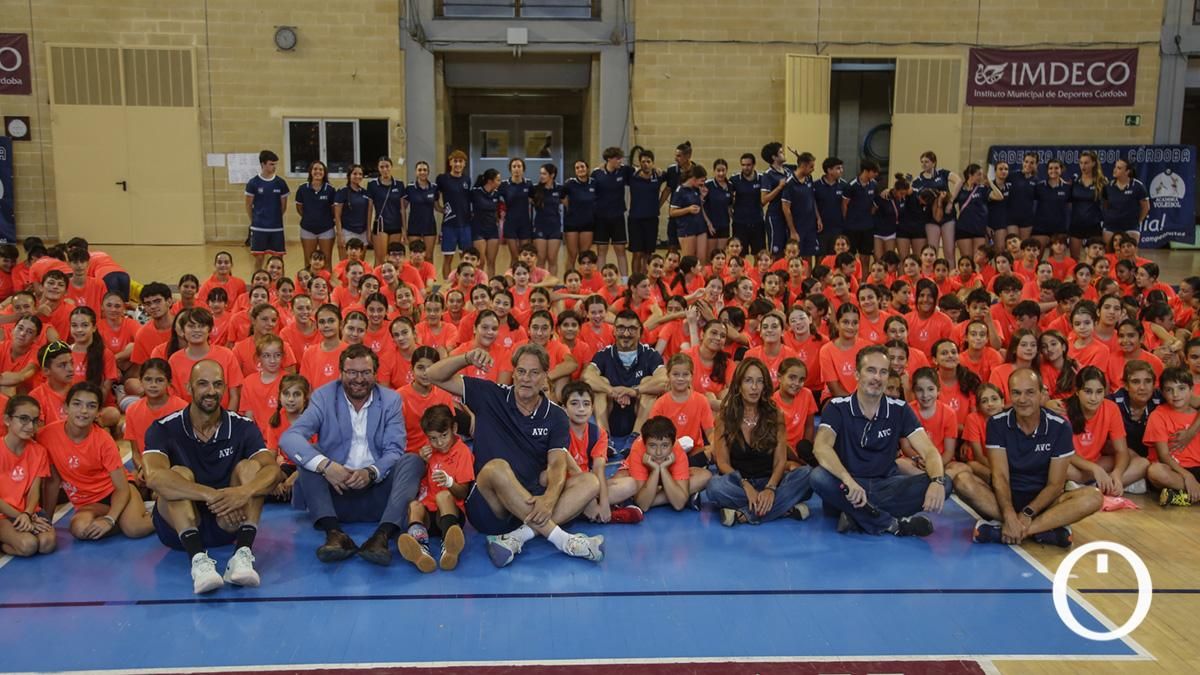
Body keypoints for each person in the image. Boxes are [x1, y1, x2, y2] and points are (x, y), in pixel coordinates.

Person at [425, 343, 605, 568]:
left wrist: (549, 498)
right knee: (496, 468)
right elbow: (433, 375)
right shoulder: (490, 394)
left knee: (590, 482)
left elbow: (557, 464)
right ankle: (564, 541)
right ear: (513, 373)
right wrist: (467, 358)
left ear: (545, 376)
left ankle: (517, 537)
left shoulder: (556, 415)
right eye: (521, 371)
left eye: (534, 372)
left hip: (528, 500)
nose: (526, 379)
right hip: (490, 507)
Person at [143, 360, 282, 594]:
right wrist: (211, 495)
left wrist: (242, 492)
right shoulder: (163, 428)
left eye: (217, 384)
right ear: (189, 388)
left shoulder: (243, 426)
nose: (211, 391)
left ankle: (242, 554)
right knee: (176, 475)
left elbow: (273, 471)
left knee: (251, 468)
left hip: (227, 522)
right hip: (178, 527)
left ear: (225, 388)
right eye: (203, 384)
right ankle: (198, 561)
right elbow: (154, 478)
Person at [281, 344, 426, 565]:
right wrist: (327, 467)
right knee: (311, 455)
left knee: (413, 461)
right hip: (335, 495)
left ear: (375, 374)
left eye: (365, 372)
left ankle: (381, 537)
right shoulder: (323, 396)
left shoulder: (390, 400)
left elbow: (395, 449)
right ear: (341, 373)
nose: (359, 379)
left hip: (379, 494)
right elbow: (289, 438)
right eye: (352, 372)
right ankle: (334, 534)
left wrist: (371, 472)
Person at [811, 345, 951, 537]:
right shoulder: (837, 407)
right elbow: (821, 448)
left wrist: (936, 481)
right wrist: (848, 480)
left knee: (946, 482)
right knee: (818, 477)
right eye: (871, 370)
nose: (877, 377)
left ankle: (858, 516)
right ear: (857, 374)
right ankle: (891, 524)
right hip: (849, 486)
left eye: (883, 372)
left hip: (887, 486)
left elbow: (929, 451)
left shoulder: (899, 409)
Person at [957, 370, 1101, 548]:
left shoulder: (1060, 427)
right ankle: (1041, 529)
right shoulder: (996, 423)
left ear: (1042, 394)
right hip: (1004, 499)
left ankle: (1013, 531)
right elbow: (1000, 476)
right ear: (1010, 395)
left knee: (1094, 497)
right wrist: (1009, 513)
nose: (1022, 399)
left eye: (1030, 392)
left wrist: (1027, 513)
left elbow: (1055, 485)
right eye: (1016, 393)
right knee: (962, 481)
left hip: (1045, 502)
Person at [41, 382, 154, 542]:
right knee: (80, 528)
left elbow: (121, 488)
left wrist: (109, 519)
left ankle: (160, 513)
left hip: (116, 491)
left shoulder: (104, 440)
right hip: (90, 503)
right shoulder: (47, 435)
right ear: (66, 407)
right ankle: (127, 515)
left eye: (91, 406)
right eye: (77, 404)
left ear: (98, 412)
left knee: (135, 529)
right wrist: (47, 520)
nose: (83, 411)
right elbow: (52, 482)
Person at [705, 358, 812, 525]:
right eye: (748, 381)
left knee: (807, 475)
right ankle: (782, 509)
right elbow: (723, 463)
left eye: (759, 381)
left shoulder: (775, 415)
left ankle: (745, 514)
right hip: (739, 483)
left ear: (765, 386)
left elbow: (780, 460)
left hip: (770, 481)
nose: (754, 387)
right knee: (714, 487)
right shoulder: (724, 418)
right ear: (739, 385)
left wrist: (770, 488)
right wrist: (745, 485)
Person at [395, 405, 473, 573]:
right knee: (414, 505)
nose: (439, 443)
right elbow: (418, 479)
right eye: (433, 438)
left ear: (454, 428)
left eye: (444, 435)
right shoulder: (429, 451)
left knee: (443, 496)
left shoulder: (463, 452)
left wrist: (449, 482)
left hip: (451, 514)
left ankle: (449, 545)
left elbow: (463, 492)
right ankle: (421, 549)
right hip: (429, 516)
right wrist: (421, 461)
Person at [582, 310, 667, 443]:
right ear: (614, 331)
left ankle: (636, 439)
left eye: (632, 329)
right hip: (610, 413)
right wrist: (612, 391)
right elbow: (587, 377)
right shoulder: (603, 354)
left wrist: (634, 391)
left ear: (640, 332)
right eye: (621, 328)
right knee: (600, 384)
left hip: (639, 413)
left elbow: (664, 381)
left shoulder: (650, 355)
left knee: (649, 382)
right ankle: (604, 440)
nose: (626, 334)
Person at [0, 396, 56, 557]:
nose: (30, 426)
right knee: (28, 545)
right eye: (23, 419)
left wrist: (28, 514)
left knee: (47, 544)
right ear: (7, 420)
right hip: (3, 514)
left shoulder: (39, 451)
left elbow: (34, 491)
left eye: (35, 420)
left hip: (29, 512)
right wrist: (20, 516)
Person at [1145, 367, 1200, 507]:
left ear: (1191, 389)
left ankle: (1183, 496)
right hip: (1175, 470)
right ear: (1163, 392)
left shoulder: (1196, 414)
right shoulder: (1158, 416)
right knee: (1155, 471)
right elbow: (1163, 455)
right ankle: (1193, 492)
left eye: (1181, 388)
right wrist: (1187, 476)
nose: (1176, 394)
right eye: (1169, 390)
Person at [295, 160, 337, 265]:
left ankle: (326, 277)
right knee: (309, 261)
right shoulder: (302, 189)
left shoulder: (330, 190)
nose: (318, 171)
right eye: (315, 169)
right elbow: (299, 208)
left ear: (324, 172)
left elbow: (333, 211)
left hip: (326, 230)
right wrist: (310, 218)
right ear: (310, 171)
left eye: (321, 169)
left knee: (326, 261)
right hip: (307, 229)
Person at [368, 156, 405, 266]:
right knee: (381, 260)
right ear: (378, 168)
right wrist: (368, 230)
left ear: (391, 167)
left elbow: (403, 209)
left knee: (393, 260)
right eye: (382, 167)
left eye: (387, 166)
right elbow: (369, 209)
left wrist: (404, 229)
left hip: (396, 226)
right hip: (380, 226)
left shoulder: (399, 184)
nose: (385, 169)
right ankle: (376, 278)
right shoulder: (372, 185)